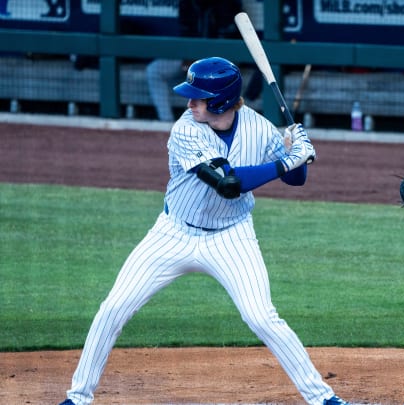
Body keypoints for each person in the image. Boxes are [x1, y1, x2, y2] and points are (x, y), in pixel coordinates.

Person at [58, 57, 349, 405]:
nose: (189, 102)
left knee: (262, 317)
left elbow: (295, 180)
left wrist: (296, 151)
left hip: (232, 236)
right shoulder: (185, 129)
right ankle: (78, 397)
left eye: (198, 97)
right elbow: (228, 183)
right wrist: (287, 160)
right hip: (172, 235)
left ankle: (323, 399)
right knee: (113, 308)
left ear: (221, 101)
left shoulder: (258, 126)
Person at [146, 0, 262, 122]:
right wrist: (188, 56)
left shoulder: (228, 4)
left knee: (212, 77)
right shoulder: (187, 3)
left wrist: (200, 62)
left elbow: (226, 39)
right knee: (154, 70)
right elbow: (185, 32)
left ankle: (213, 123)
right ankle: (167, 122)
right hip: (191, 57)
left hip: (222, 60)